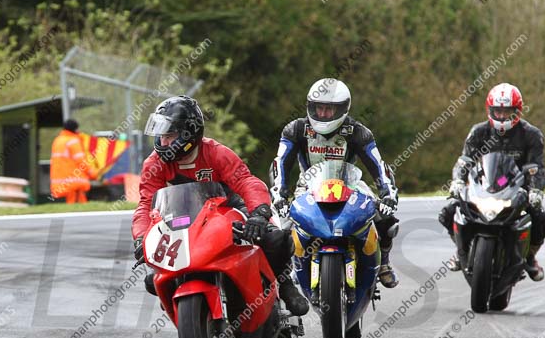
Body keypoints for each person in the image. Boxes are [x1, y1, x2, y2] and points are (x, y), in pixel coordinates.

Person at [132, 95, 309, 316]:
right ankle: (189, 317)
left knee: (274, 237)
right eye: (162, 136)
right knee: (154, 278)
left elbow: (247, 182)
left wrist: (259, 214)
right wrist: (141, 236)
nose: (164, 142)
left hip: (229, 207)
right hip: (179, 216)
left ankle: (285, 286)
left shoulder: (216, 153)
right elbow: (146, 204)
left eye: (170, 135)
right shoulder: (154, 164)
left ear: (189, 132)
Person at [270, 78, 400, 288]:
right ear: (310, 107)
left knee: (385, 217)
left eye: (329, 110)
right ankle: (286, 276)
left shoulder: (358, 132)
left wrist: (387, 193)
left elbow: (378, 165)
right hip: (308, 186)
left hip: (350, 184)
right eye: (318, 108)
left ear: (343, 109)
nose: (322, 114)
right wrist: (280, 194)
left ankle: (384, 263)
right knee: (279, 226)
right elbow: (280, 163)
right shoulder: (295, 129)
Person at [438, 82, 545, 280]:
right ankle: (461, 250)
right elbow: (464, 160)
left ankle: (530, 258)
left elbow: (537, 167)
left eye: (507, 111)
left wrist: (536, 191)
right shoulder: (479, 132)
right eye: (497, 110)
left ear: (517, 111)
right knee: (449, 212)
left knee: (542, 220)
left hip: (517, 190)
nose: (501, 115)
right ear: (489, 109)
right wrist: (457, 180)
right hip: (482, 187)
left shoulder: (531, 135)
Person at [50, 119, 95, 203]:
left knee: (71, 205)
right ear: (75, 129)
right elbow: (81, 161)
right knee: (77, 204)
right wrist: (92, 173)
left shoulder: (57, 141)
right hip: (73, 179)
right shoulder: (73, 141)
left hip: (61, 181)